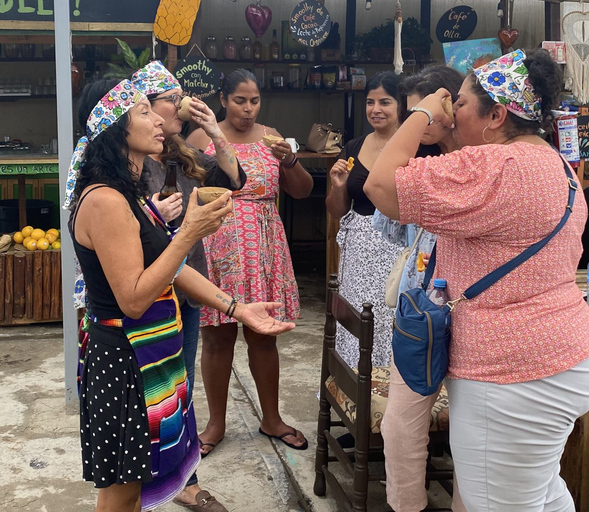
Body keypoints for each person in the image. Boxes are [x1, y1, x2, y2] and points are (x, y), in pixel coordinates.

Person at [364, 49, 589, 511]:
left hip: (512, 374)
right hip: (564, 354)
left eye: (459, 103)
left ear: (496, 116)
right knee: (541, 494)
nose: (451, 112)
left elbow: (381, 186)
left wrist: (419, 114)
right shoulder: (552, 162)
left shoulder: (494, 168)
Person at [68, 79, 295, 512]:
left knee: (137, 487)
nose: (158, 119)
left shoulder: (128, 193)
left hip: (149, 352)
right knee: (122, 492)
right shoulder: (105, 200)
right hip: (125, 359)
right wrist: (188, 232)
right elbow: (134, 299)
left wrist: (237, 308)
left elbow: (172, 269)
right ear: (116, 128)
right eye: (144, 112)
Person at [131, 61, 246, 511]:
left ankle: (184, 479)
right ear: (143, 110)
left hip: (187, 285)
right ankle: (141, 479)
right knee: (148, 392)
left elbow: (234, 180)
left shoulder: (183, 155)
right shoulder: (126, 164)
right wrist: (153, 214)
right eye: (170, 100)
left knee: (180, 388)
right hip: (144, 291)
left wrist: (215, 132)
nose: (180, 106)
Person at [186, 69, 313, 453]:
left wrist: (290, 160)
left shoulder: (272, 137)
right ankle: (215, 425)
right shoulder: (200, 138)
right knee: (216, 339)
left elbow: (303, 191)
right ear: (223, 99)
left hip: (263, 249)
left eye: (254, 100)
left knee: (263, 337)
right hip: (215, 249)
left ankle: (271, 419)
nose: (248, 108)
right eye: (240, 100)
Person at [375, 65, 467, 512]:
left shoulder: (479, 163)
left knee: (470, 431)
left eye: (424, 112)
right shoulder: (420, 165)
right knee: (400, 425)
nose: (419, 121)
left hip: (470, 310)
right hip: (420, 311)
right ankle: (406, 504)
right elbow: (388, 223)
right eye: (413, 113)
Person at [325, 71, 407, 369]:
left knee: (392, 316)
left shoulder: (416, 147)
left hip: (401, 248)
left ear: (401, 105)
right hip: (359, 251)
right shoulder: (354, 148)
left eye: (385, 102)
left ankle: (389, 388)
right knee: (358, 316)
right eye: (370, 102)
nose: (376, 109)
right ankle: (354, 387)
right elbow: (337, 210)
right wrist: (338, 187)